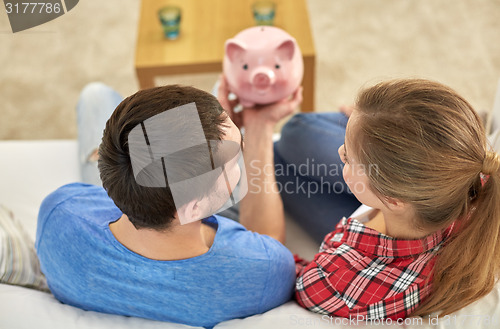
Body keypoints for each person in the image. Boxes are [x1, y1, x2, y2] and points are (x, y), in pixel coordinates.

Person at [35, 83, 302, 328]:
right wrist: (260, 129)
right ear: (194, 208)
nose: (241, 152)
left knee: (96, 94)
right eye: (235, 157)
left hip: (152, 206)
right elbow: (268, 244)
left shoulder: (60, 211)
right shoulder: (265, 269)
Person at [276, 79, 500, 320]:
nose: (340, 152)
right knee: (292, 139)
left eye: (349, 158)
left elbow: (283, 274)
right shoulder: (470, 184)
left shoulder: (335, 280)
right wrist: (374, 127)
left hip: (375, 238)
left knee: (280, 153)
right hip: (404, 221)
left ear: (392, 199)